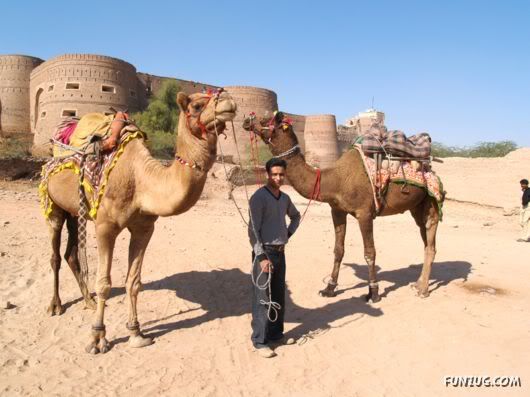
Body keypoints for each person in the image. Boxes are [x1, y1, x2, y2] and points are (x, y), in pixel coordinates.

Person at [248, 158, 301, 358]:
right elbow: (253, 230)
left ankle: (276, 334)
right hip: (264, 253)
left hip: (280, 253)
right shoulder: (258, 197)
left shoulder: (285, 198)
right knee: (263, 298)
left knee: (278, 296)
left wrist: (287, 234)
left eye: (281, 174)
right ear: (267, 175)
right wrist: (261, 256)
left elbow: (296, 216)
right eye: (274, 174)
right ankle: (260, 340)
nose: (278, 178)